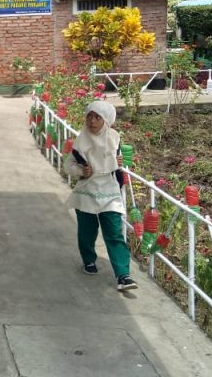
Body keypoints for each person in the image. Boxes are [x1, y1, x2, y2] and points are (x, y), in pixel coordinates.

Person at [64, 100, 138, 292]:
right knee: (87, 231)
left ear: (106, 120)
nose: (92, 121)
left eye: (98, 117)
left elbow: (118, 164)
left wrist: (120, 162)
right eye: (89, 117)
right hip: (87, 190)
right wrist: (81, 171)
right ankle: (88, 259)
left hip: (109, 190)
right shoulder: (81, 142)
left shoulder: (114, 138)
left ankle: (123, 275)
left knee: (114, 232)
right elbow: (68, 165)